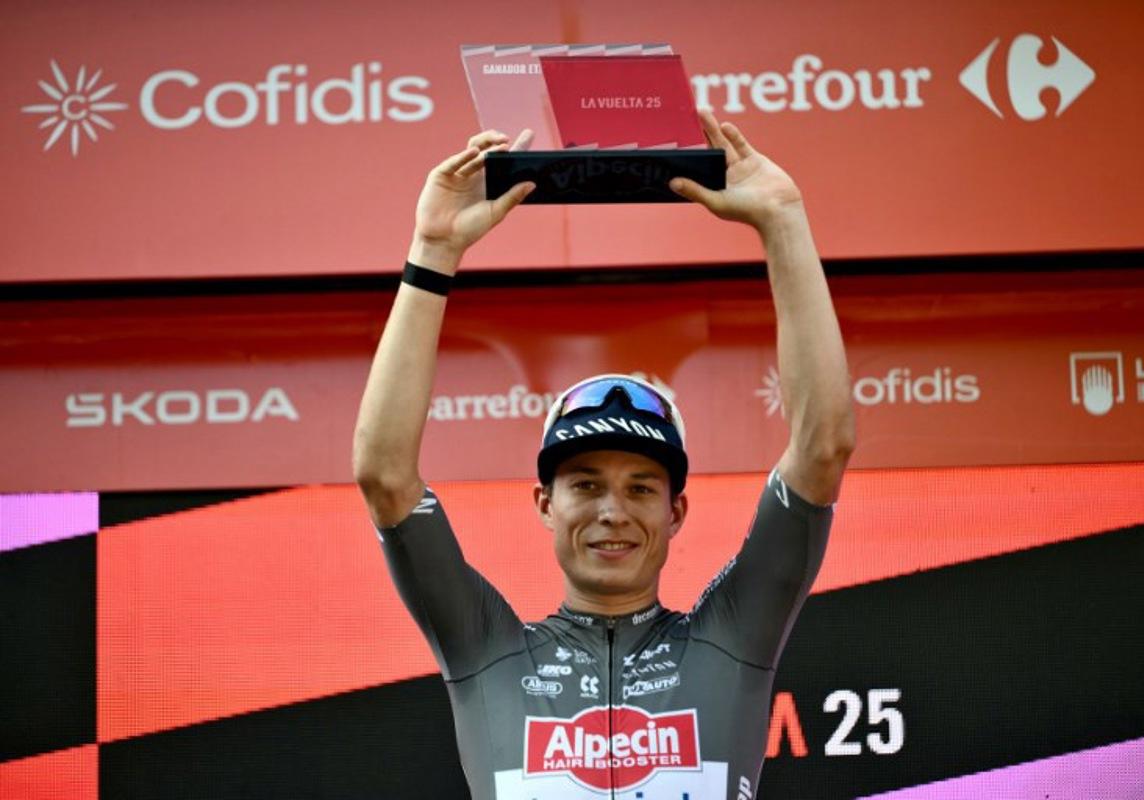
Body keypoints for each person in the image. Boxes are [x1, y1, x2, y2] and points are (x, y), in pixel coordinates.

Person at [353, 112, 855, 799]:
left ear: (677, 511)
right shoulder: (487, 648)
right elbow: (384, 478)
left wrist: (783, 221)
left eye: (641, 488)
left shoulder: (734, 636)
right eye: (585, 485)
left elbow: (822, 448)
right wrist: (433, 251)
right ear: (544, 504)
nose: (612, 511)